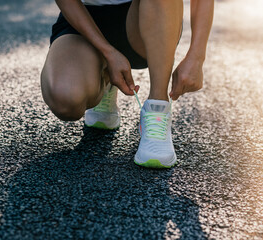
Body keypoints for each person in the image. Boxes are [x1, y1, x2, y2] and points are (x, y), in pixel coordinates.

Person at [40, 0, 214, 168]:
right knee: (65, 98)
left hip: (145, 16)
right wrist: (108, 52)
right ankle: (105, 76)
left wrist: (196, 57)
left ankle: (157, 109)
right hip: (84, 19)